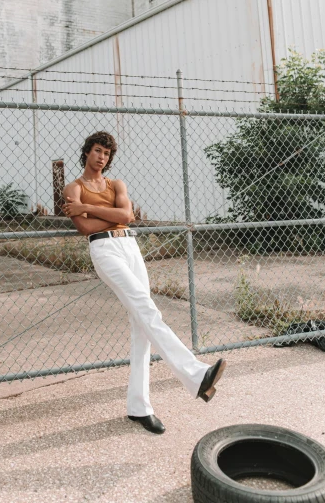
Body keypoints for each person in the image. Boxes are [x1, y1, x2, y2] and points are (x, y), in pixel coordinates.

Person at [62, 130, 226, 435]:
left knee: (142, 327)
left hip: (129, 246)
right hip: (104, 249)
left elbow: (127, 214)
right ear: (87, 152)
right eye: (97, 150)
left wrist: (92, 208)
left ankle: (139, 407)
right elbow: (84, 227)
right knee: (147, 309)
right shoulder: (73, 188)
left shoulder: (116, 184)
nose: (102, 157)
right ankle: (196, 374)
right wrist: (107, 216)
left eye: (107, 153)